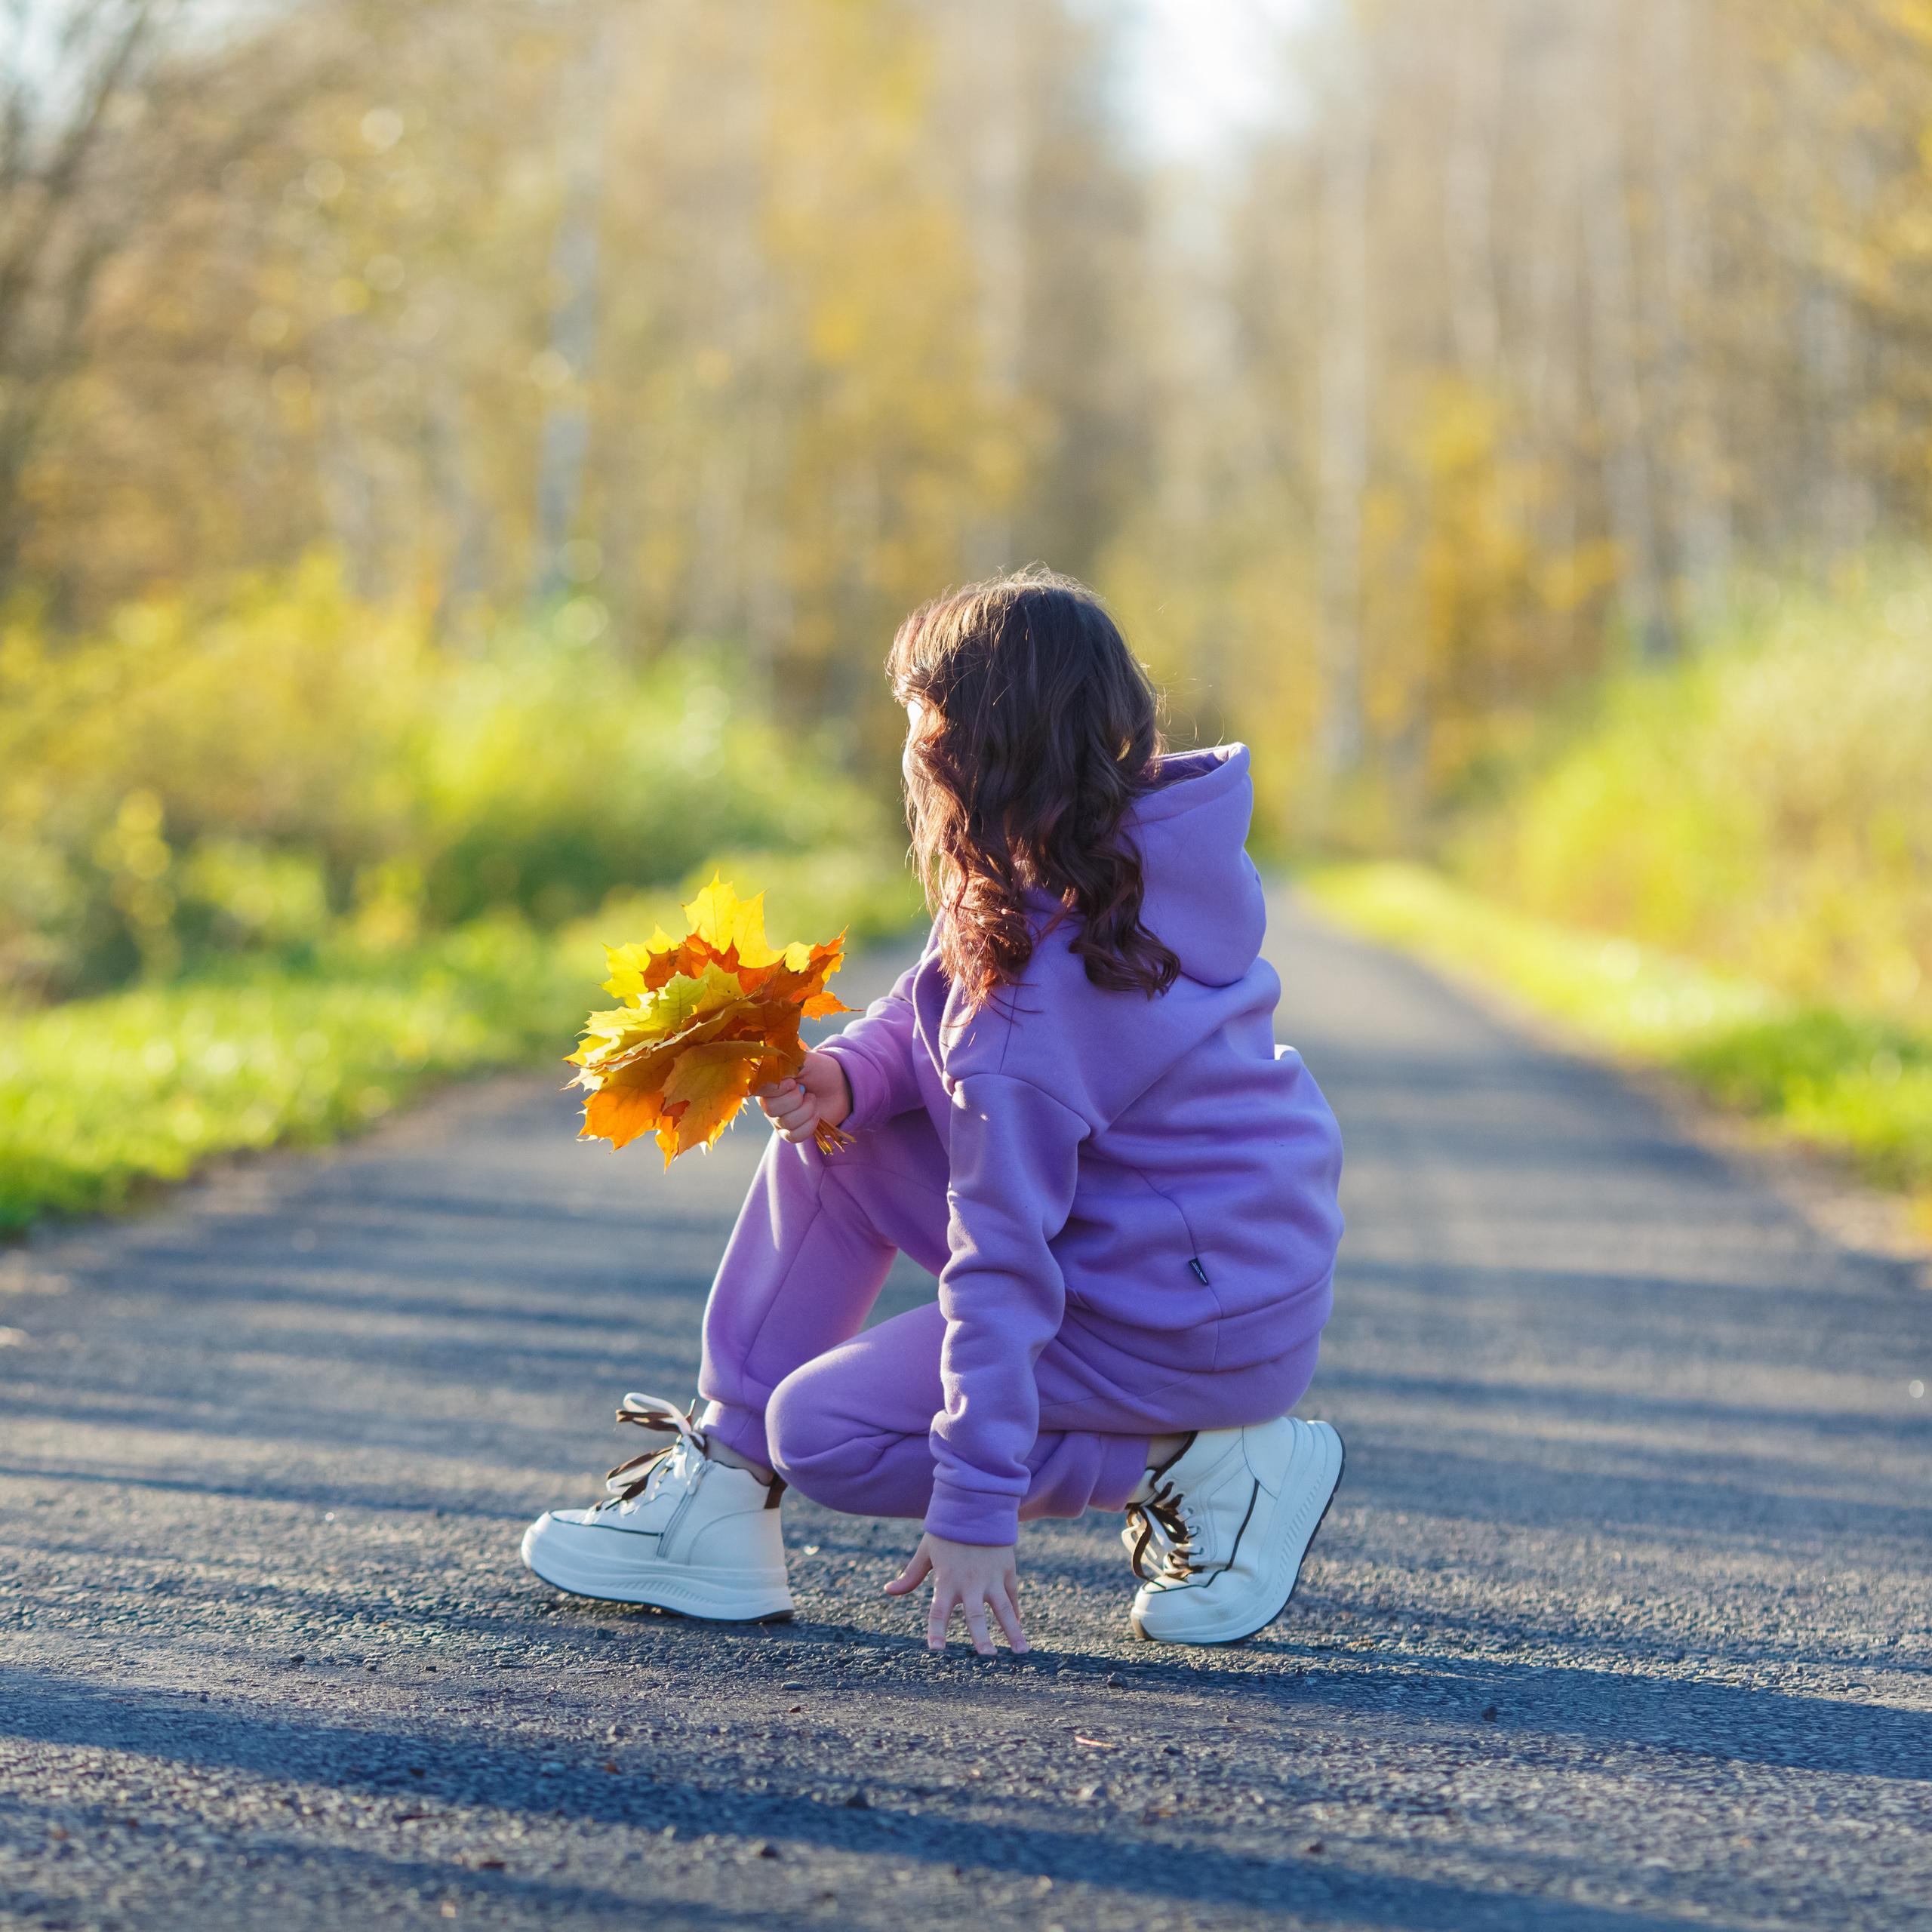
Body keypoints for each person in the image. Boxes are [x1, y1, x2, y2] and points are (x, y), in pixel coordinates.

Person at [521, 568, 1346, 1651]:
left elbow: (1004, 1266)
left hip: (1180, 1320)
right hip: (1215, 1264)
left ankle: (1205, 1462)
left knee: (822, 1431)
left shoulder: (1034, 1021)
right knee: (834, 1135)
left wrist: (975, 1507)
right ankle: (718, 1493)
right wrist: (848, 1078)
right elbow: (929, 1008)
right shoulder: (1102, 862)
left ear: (981, 758)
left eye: (924, 729)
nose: (909, 756)